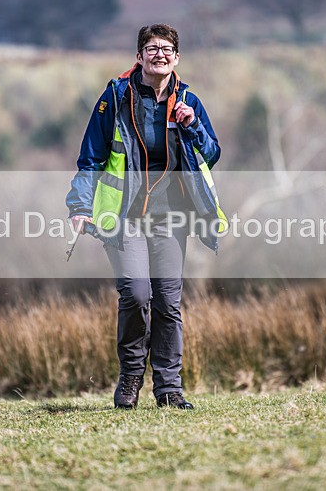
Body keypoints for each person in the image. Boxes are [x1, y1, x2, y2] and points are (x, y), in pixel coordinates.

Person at [66, 23, 227, 410]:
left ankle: (170, 389)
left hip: (171, 218)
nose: (160, 54)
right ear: (139, 57)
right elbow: (90, 157)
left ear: (177, 58)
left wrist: (193, 126)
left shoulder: (188, 100)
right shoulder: (115, 99)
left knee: (168, 303)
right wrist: (79, 207)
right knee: (137, 295)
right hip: (123, 218)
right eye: (152, 48)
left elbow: (212, 154)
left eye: (168, 49)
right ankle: (131, 378)